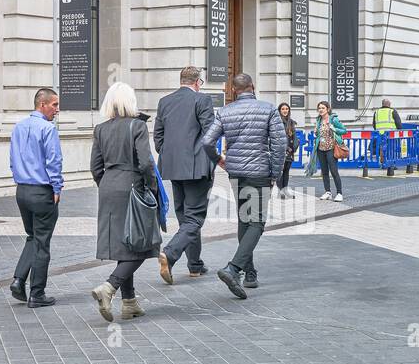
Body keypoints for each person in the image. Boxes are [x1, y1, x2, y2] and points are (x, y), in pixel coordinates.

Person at [199, 73, 282, 300]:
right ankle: (234, 268)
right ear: (252, 87)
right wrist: (275, 173)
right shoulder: (268, 109)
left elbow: (207, 141)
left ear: (234, 90)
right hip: (259, 172)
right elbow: (279, 144)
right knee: (257, 222)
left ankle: (251, 273)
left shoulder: (225, 112)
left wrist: (219, 160)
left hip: (235, 172)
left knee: (245, 219)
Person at [89, 83, 159, 322]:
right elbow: (146, 163)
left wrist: (107, 184)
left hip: (108, 187)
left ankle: (129, 303)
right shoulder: (137, 126)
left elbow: (95, 167)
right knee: (143, 243)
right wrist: (151, 188)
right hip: (132, 187)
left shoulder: (100, 129)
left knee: (125, 244)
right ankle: (110, 287)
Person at [154, 66, 219, 284]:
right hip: (196, 167)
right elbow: (211, 134)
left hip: (172, 167)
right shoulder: (202, 100)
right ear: (197, 82)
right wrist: (213, 160)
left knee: (185, 217)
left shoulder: (165, 101)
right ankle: (170, 254)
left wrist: (167, 154)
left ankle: (195, 265)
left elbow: (158, 136)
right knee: (194, 218)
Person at [8, 88, 64, 308]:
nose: (57, 110)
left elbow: (12, 159)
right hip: (42, 191)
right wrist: (57, 188)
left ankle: (19, 279)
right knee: (42, 243)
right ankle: (37, 294)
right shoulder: (48, 129)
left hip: (22, 191)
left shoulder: (18, 127)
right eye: (54, 105)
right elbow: (54, 161)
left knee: (33, 236)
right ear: (42, 105)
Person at [313, 101, 346, 200]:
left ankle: (339, 193)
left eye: (323, 108)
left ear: (327, 109)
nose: (320, 110)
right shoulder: (318, 120)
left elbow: (344, 130)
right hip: (321, 148)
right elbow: (320, 134)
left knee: (334, 171)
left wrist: (334, 129)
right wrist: (316, 132)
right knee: (324, 172)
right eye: (319, 108)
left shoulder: (333, 119)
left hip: (331, 148)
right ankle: (328, 192)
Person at [275, 102, 297, 197]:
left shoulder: (291, 122)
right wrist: (284, 148)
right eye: (283, 109)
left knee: (286, 171)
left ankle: (285, 189)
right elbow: (276, 137)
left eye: (287, 109)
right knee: (280, 170)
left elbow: (295, 137)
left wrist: (294, 147)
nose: (285, 111)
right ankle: (280, 191)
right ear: (279, 110)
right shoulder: (276, 122)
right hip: (280, 151)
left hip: (290, 151)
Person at [371, 99, 400, 164]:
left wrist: (378, 130)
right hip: (391, 134)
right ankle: (391, 163)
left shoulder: (377, 112)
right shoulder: (392, 111)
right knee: (391, 148)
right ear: (389, 104)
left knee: (382, 149)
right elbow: (398, 123)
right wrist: (399, 131)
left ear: (382, 104)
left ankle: (383, 162)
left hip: (380, 134)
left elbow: (374, 124)